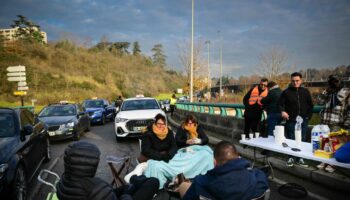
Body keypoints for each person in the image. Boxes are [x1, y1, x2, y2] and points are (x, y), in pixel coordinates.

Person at [56, 141, 159, 200]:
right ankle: (135, 178)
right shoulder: (95, 187)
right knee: (154, 182)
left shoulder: (64, 180)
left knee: (128, 187)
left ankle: (134, 179)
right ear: (88, 163)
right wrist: (126, 196)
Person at [178, 141, 269, 200]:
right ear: (238, 157)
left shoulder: (200, 182)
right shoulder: (258, 177)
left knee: (183, 186)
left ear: (214, 162)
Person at [279, 72, 313, 167]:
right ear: (291, 81)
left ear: (301, 80)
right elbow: (280, 104)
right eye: (293, 81)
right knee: (291, 139)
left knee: (302, 139)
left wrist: (307, 117)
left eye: (297, 80)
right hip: (291, 120)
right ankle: (291, 157)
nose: (295, 82)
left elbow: (311, 105)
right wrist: (282, 112)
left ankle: (300, 158)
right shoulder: (286, 92)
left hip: (303, 120)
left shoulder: (305, 91)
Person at [317, 75, 350, 172]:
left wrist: (347, 124)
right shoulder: (329, 91)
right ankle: (324, 160)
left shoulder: (347, 93)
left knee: (335, 144)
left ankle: (333, 164)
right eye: (332, 81)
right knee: (324, 143)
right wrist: (326, 91)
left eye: (336, 81)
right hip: (325, 121)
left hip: (338, 122)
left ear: (340, 81)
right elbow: (319, 101)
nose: (334, 83)